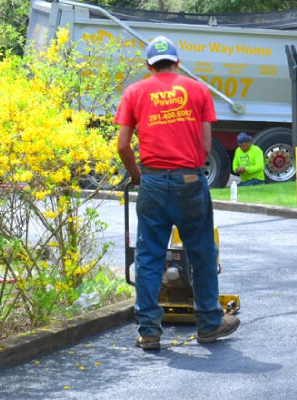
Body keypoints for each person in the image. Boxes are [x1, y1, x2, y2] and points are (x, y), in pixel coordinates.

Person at [115, 36, 239, 350]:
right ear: (177, 61)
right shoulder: (197, 90)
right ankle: (210, 325)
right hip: (190, 182)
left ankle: (149, 331)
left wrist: (136, 175)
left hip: (153, 183)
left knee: (149, 257)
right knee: (202, 254)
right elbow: (206, 146)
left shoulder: (134, 92)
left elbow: (122, 145)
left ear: (148, 65)